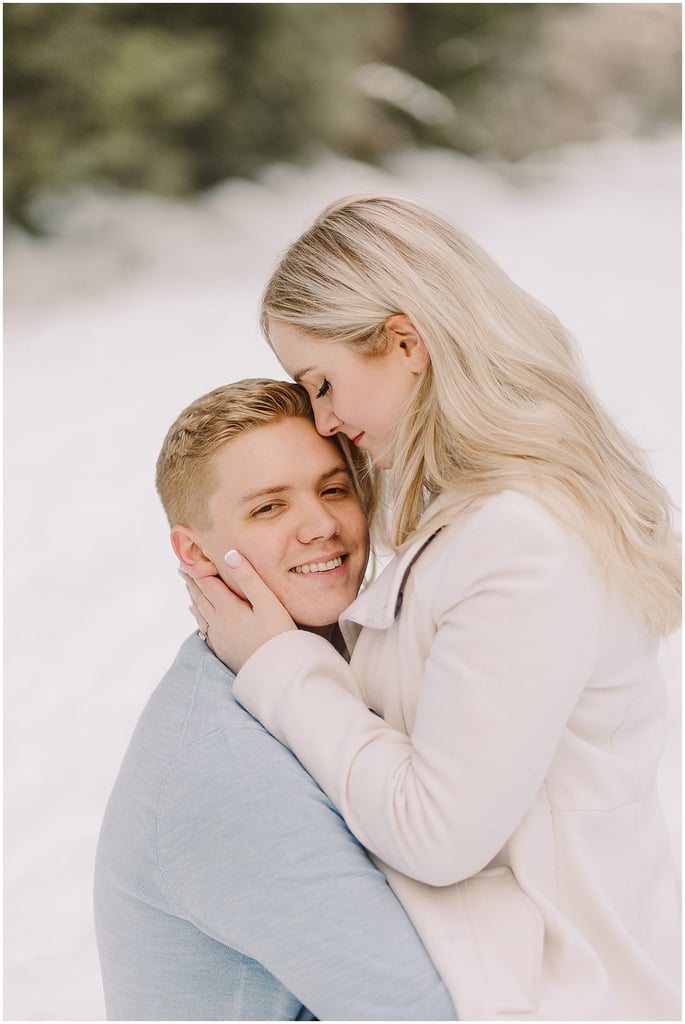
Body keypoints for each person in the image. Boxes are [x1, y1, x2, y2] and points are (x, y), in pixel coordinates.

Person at [185, 195, 682, 1021]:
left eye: (323, 383)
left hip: (566, 994)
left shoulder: (525, 540)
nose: (325, 421)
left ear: (405, 343)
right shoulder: (484, 518)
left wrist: (283, 666)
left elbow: (436, 834)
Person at [94, 378, 456, 1022]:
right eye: (269, 508)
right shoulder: (224, 767)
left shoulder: (339, 671)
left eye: (333, 489)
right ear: (194, 551)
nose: (321, 525)